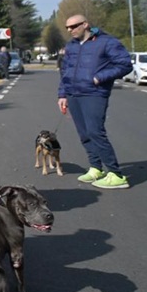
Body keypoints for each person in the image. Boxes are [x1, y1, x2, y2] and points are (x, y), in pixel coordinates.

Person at [57, 14, 134, 189]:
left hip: (94, 93)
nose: (70, 30)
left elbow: (125, 64)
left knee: (95, 132)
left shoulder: (107, 42)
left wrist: (100, 77)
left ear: (85, 24)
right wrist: (62, 94)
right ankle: (96, 168)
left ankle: (116, 174)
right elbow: (65, 71)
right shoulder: (72, 46)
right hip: (73, 93)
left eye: (74, 26)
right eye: (67, 27)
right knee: (84, 134)